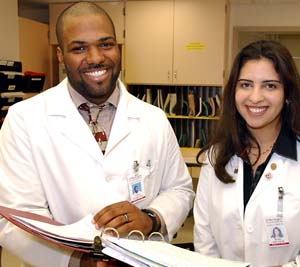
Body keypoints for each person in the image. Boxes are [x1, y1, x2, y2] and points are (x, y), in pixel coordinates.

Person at [0, 2, 194, 267]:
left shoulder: (153, 119)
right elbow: (15, 219)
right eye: (79, 48)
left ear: (118, 47)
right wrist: (77, 262)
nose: (95, 58)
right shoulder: (24, 120)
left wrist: (151, 218)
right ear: (60, 55)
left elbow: (179, 189)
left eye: (105, 44)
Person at [193, 40, 300, 267]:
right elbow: (205, 238)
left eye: (270, 86)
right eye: (246, 84)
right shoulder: (216, 157)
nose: (255, 97)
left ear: (287, 93)